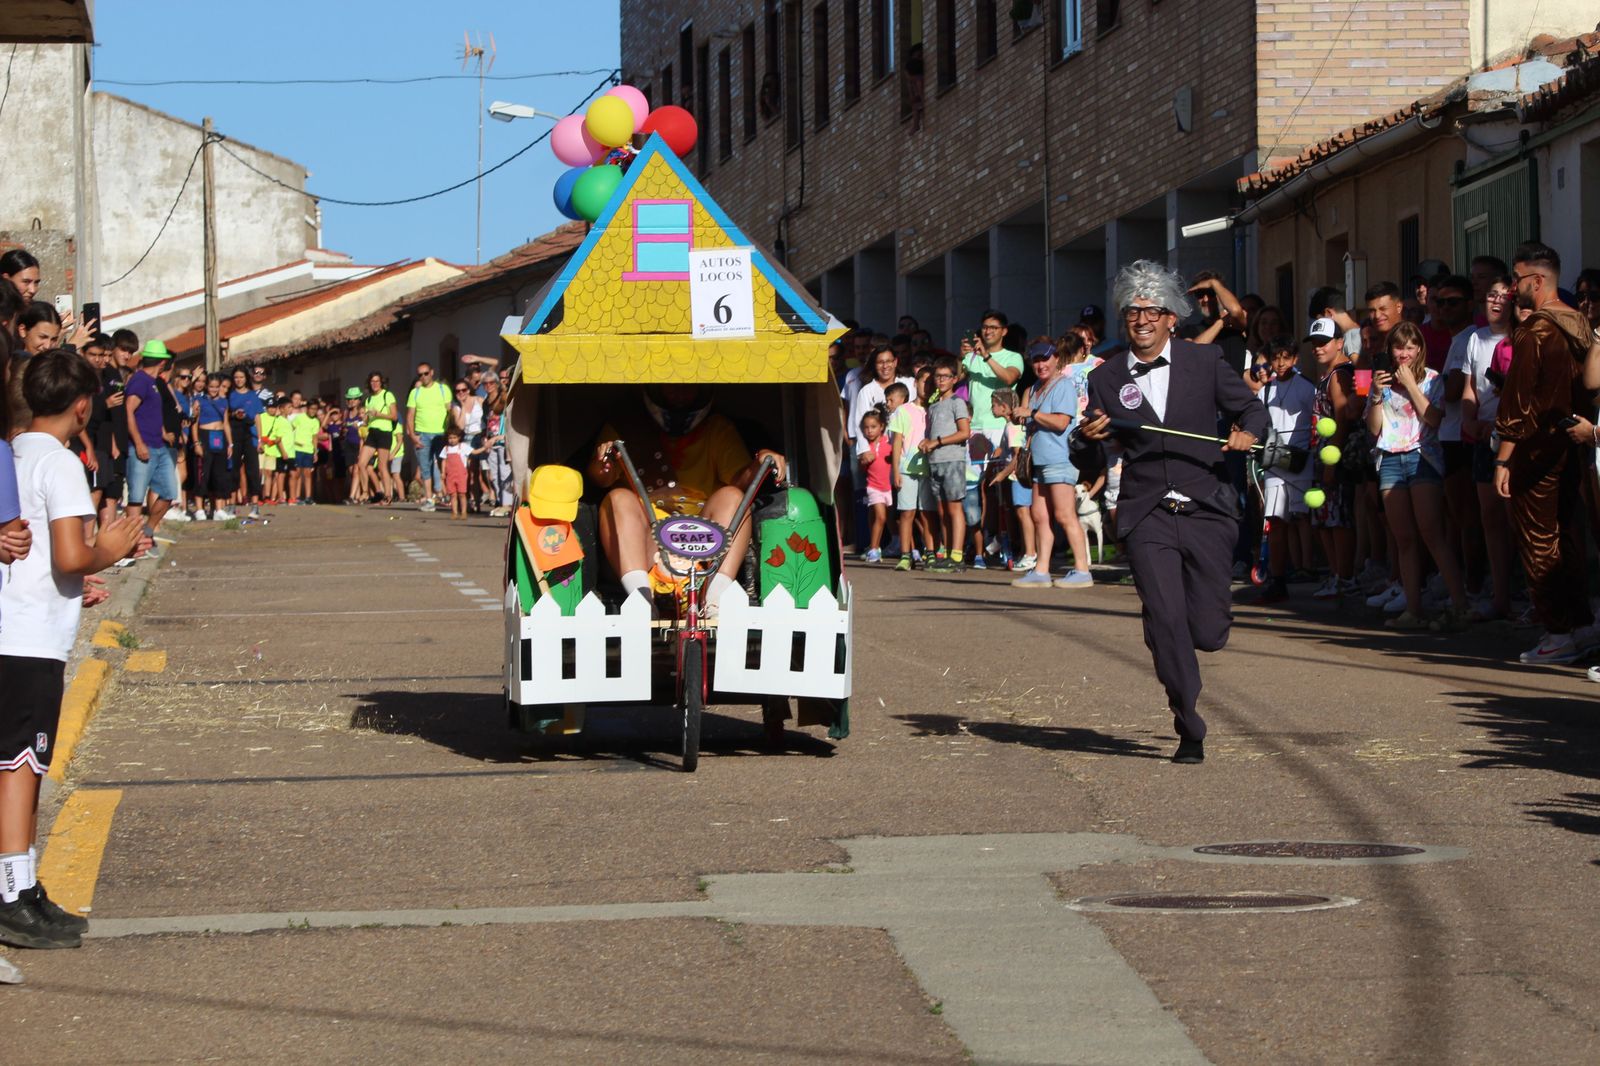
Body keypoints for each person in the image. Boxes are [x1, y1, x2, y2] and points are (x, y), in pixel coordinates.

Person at [1080, 260, 1269, 764]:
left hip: (1207, 506)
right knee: (1166, 618)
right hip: (1146, 514)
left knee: (1207, 630)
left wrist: (1248, 432)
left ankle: (1183, 637)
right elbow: (1094, 444)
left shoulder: (1203, 362)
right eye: (1132, 311)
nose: (1141, 319)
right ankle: (1188, 722)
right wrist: (1089, 436)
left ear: (1171, 318)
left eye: (1152, 310)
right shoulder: (1107, 377)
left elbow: (1253, 409)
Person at [0, 349, 143, 949]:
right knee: (22, 766)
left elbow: (43, 558)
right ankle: (12, 893)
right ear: (83, 406)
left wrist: (73, 579)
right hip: (30, 639)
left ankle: (24, 884)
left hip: (16, 626)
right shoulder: (60, 464)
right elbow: (69, 552)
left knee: (20, 764)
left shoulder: (15, 452)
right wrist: (110, 549)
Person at [585, 385, 787, 618]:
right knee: (617, 497)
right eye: (671, 385)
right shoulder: (623, 427)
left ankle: (714, 600)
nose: (679, 392)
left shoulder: (717, 428)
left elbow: (739, 480)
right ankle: (641, 602)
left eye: (688, 386)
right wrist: (602, 465)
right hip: (645, 541)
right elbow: (601, 478)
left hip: (703, 538)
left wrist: (760, 462)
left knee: (733, 496)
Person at [1493, 241, 1597, 664]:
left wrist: (1503, 458)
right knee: (1565, 536)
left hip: (1537, 449)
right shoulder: (1580, 323)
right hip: (1573, 445)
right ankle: (1580, 624)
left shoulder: (1537, 329)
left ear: (1536, 281)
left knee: (1538, 541)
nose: (1512, 288)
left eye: (1517, 279)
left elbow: (1519, 402)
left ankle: (1558, 631)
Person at [1367, 322, 1468, 631]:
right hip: (1390, 458)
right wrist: (1374, 394)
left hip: (1423, 457)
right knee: (1404, 539)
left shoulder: (1433, 379)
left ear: (1420, 350)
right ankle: (1413, 609)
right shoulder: (1381, 383)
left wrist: (1411, 384)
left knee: (1431, 532)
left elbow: (1434, 418)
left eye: (1411, 347)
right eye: (1399, 347)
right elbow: (1374, 429)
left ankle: (1461, 606)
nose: (1404, 353)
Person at [1011, 339, 1092, 589]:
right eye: (1035, 360)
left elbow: (1060, 422)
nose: (1040, 364)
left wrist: (1032, 414)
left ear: (1056, 358)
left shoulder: (1064, 385)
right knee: (1039, 515)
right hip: (1039, 461)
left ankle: (1082, 570)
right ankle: (1041, 570)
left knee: (1064, 514)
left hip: (1059, 459)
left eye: (1045, 358)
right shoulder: (1035, 387)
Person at [1460, 274, 1515, 621]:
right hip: (1483, 439)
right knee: (1490, 518)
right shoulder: (1475, 339)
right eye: (1490, 295)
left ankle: (1528, 595)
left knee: (1515, 519)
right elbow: (1469, 387)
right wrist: (1469, 420)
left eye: (1502, 295)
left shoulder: (1521, 339)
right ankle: (1501, 596)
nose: (1495, 301)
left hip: (1512, 437)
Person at [1246, 338, 1316, 604]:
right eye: (1276, 358)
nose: (1281, 363)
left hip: (1300, 460)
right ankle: (1278, 578)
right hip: (1276, 462)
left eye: (1286, 357)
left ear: (1295, 359)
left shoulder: (1306, 387)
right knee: (1275, 520)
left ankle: (1305, 567)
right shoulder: (1266, 391)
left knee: (1301, 516)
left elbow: (1316, 420)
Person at [1305, 317, 1361, 600]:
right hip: (1321, 454)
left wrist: (1331, 462)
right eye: (1314, 343)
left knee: (1337, 518)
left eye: (1324, 342)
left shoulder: (1339, 375)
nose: (1318, 348)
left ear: (1339, 343)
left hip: (1333, 456)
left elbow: (1343, 418)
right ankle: (1335, 574)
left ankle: (1345, 576)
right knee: (1324, 519)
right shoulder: (1328, 374)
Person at [919, 355, 972, 572]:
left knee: (954, 508)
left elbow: (964, 432)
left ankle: (957, 556)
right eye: (937, 376)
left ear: (955, 379)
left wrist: (937, 442)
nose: (940, 380)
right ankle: (948, 551)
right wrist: (927, 443)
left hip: (952, 459)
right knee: (942, 511)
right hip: (935, 461)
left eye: (945, 376)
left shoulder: (957, 402)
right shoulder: (933, 406)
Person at [123, 340, 179, 537]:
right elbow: (129, 410)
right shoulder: (140, 380)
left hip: (159, 445)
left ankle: (146, 532)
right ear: (163, 363)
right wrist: (138, 443)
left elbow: (152, 412)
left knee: (170, 492)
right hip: (143, 446)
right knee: (136, 497)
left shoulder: (154, 383)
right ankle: (133, 540)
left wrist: (162, 432)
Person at [888, 377, 936, 572]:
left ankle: (931, 553)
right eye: (924, 381)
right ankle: (906, 555)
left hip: (930, 468)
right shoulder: (903, 410)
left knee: (928, 513)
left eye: (930, 382)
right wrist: (895, 469)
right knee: (907, 512)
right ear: (916, 383)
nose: (927, 386)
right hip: (907, 469)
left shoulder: (935, 408)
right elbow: (897, 440)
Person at [405, 362, 452, 511]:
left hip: (441, 434)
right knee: (425, 468)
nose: (423, 377)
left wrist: (451, 433)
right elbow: (410, 415)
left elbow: (450, 412)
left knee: (445, 466)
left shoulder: (443, 389)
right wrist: (412, 435)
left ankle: (450, 496)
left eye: (426, 373)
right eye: (420, 374)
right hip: (422, 434)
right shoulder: (415, 392)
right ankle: (430, 499)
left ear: (432, 372)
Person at [193, 373, 235, 520]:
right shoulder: (199, 401)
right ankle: (199, 509)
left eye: (217, 387)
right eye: (211, 386)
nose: (214, 389)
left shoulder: (224, 401)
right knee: (203, 473)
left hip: (220, 438)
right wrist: (196, 442)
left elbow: (226, 423)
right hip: (204, 435)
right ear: (206, 386)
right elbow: (194, 424)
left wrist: (230, 443)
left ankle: (218, 509)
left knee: (219, 474)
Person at [226, 367, 265, 519]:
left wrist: (260, 439)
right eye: (236, 377)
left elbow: (257, 417)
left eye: (241, 377)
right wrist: (234, 414)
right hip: (234, 431)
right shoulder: (230, 395)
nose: (239, 380)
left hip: (249, 433)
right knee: (233, 469)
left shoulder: (252, 395)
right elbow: (225, 414)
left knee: (252, 469)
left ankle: (255, 505)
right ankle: (232, 505)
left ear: (246, 378)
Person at [356, 372, 399, 505]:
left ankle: (387, 496)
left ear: (381, 382)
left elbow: (394, 416)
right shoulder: (369, 400)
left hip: (384, 433)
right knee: (361, 463)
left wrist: (378, 414)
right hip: (372, 432)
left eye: (377, 381)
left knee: (382, 466)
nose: (374, 384)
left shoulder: (387, 395)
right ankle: (364, 492)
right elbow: (369, 420)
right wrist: (363, 420)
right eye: (372, 381)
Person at [857, 408, 892, 562]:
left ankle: (909, 549)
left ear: (882, 426)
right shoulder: (864, 447)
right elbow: (861, 468)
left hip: (890, 486)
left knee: (894, 519)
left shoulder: (889, 441)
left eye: (873, 427)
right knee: (880, 516)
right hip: (874, 486)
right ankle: (873, 550)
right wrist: (864, 461)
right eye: (866, 427)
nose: (869, 431)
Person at [291, 392, 319, 505]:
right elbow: (291, 428)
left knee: (308, 474)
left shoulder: (316, 421)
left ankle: (308, 496)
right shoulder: (300, 418)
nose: (313, 411)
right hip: (297, 449)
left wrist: (315, 451)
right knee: (297, 473)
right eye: (311, 408)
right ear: (307, 408)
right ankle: (296, 496)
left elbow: (315, 437)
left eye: (315, 409)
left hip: (308, 449)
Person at [440, 426, 473, 520]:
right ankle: (454, 512)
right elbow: (443, 461)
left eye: (454, 438)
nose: (452, 440)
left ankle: (463, 512)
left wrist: (484, 447)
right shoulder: (446, 449)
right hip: (450, 475)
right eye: (450, 438)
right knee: (452, 494)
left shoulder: (462, 447)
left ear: (459, 437)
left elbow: (473, 452)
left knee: (462, 494)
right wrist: (443, 472)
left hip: (461, 474)